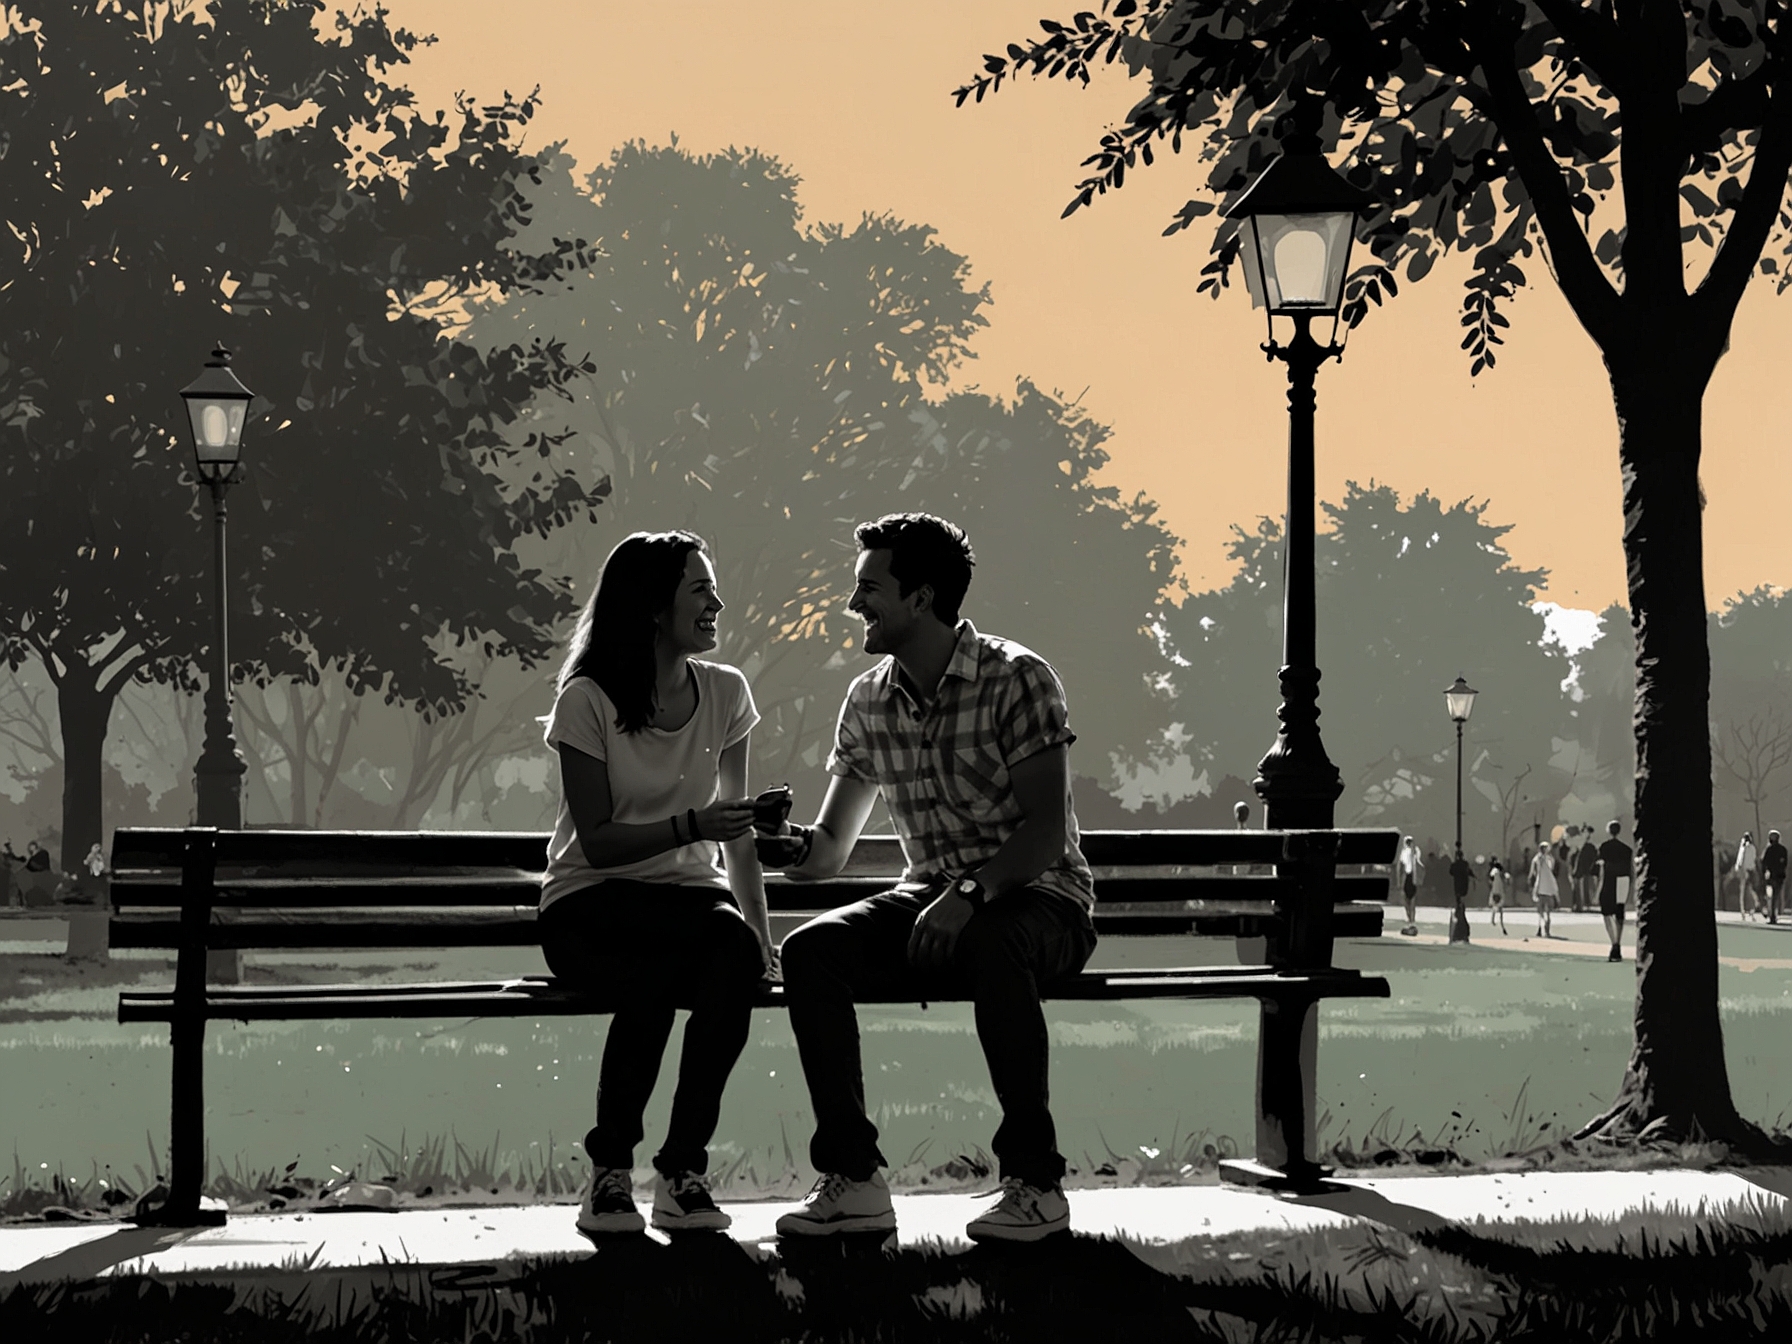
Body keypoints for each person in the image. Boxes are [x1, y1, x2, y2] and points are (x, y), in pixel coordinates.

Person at [759, 513, 1098, 1244]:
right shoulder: (867, 700)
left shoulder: (1018, 678)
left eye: (869, 589)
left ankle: (1035, 1185)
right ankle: (854, 1182)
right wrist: (776, 842)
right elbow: (828, 852)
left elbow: (1043, 833)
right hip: (936, 899)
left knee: (994, 941)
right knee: (812, 953)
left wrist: (971, 895)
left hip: (1042, 901)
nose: (855, 605)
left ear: (921, 597)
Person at [537, 530, 775, 1237]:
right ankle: (610, 1174)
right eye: (699, 589)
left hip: (686, 902)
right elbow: (601, 840)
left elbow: (736, 837)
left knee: (731, 956)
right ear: (651, 607)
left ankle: (681, 1171)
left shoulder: (727, 693)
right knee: (657, 969)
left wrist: (762, 938)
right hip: (589, 903)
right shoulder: (587, 700)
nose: (716, 603)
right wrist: (693, 824)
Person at [1596, 819, 1633, 961]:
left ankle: (1614, 943)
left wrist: (1598, 888)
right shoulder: (1627, 849)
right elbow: (1631, 869)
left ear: (1608, 830)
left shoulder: (1604, 847)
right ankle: (1618, 943)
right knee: (1619, 913)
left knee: (1606, 912)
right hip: (1624, 880)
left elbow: (1601, 869)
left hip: (1610, 880)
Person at [1528, 841, 1559, 938]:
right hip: (1548, 888)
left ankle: (1541, 929)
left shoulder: (1538, 859)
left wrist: (1531, 882)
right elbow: (1551, 868)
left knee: (1541, 911)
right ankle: (1546, 930)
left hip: (1541, 888)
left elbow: (1532, 872)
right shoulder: (1548, 859)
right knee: (1547, 912)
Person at [1396, 836, 1423, 936]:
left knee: (1409, 901)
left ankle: (1411, 919)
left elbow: (1400, 868)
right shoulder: (1409, 853)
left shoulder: (1412, 852)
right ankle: (1411, 919)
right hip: (1409, 878)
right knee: (1410, 901)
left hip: (1410, 878)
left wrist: (1399, 882)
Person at [1763, 830, 1788, 926]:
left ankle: (1772, 915)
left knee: (1770, 897)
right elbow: (1785, 863)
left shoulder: (1769, 849)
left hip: (1771, 876)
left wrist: (1765, 873)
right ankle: (1775, 913)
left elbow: (1764, 862)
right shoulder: (1783, 850)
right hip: (1780, 877)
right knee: (1776, 896)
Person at [1571, 830, 1599, 914]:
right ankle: (1580, 905)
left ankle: (1583, 905)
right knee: (1580, 889)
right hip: (1581, 871)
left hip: (1584, 871)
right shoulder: (1581, 848)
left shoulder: (1588, 847)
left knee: (1584, 888)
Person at [1734, 830, 1760, 919]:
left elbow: (1740, 861)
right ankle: (1752, 910)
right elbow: (1753, 860)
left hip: (1744, 871)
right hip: (1751, 870)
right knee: (1751, 891)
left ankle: (1743, 911)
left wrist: (1737, 869)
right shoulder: (1753, 848)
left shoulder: (1743, 848)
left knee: (1742, 892)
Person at [1486, 858, 1508, 935]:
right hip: (1499, 892)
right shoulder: (1498, 872)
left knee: (1496, 907)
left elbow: (1490, 879)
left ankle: (1493, 920)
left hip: (1496, 892)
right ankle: (1501, 925)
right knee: (1500, 909)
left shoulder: (1494, 872)